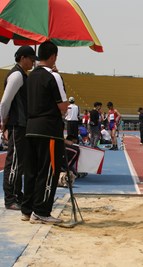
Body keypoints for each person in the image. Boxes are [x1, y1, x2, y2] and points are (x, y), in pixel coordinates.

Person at [21, 41, 68, 224]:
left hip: (30, 127)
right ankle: (41, 211)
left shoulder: (30, 76)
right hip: (48, 129)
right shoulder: (53, 77)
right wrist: (58, 76)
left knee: (31, 170)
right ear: (54, 56)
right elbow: (63, 107)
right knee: (49, 171)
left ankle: (27, 209)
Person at [1, 46, 37, 210]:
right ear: (22, 58)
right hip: (17, 124)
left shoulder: (23, 75)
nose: (33, 62)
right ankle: (10, 198)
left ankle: (17, 193)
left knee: (19, 162)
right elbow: (5, 101)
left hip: (22, 124)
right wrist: (3, 121)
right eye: (31, 59)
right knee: (14, 162)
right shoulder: (16, 75)